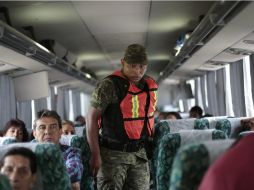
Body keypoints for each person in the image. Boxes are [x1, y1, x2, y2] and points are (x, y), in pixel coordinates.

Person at [87, 44, 158, 190]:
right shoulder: (108, 85)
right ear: (122, 62)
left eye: (142, 66)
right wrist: (95, 154)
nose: (138, 71)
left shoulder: (147, 85)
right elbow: (91, 119)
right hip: (112, 156)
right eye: (133, 66)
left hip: (140, 155)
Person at [32, 109, 83, 190]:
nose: (47, 132)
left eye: (53, 127)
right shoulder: (27, 152)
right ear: (34, 133)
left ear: (60, 132)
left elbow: (74, 171)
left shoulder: (71, 152)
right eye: (42, 127)